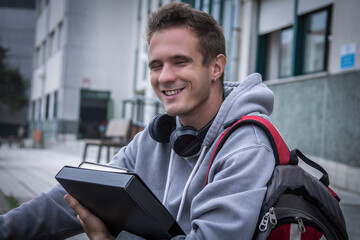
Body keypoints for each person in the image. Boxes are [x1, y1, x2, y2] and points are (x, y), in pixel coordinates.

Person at [0, 2, 275, 240]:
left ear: (216, 67)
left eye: (180, 62)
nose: (164, 77)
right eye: (156, 65)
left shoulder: (247, 147)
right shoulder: (157, 137)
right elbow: (77, 196)